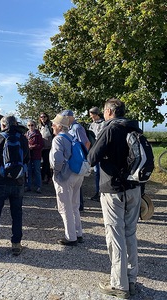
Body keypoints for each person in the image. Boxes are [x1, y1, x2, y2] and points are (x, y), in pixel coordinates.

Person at [88, 98, 141, 298]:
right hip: (134, 188)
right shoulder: (135, 129)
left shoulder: (110, 130)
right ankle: (131, 279)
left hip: (113, 189)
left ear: (109, 112)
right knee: (130, 233)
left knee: (115, 236)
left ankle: (119, 285)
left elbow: (92, 157)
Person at [0, 115, 29, 256]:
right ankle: (16, 244)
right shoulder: (22, 138)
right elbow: (27, 158)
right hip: (18, 181)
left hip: (0, 181)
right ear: (15, 124)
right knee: (17, 214)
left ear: (3, 125)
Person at [49, 114, 84, 246]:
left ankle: (71, 237)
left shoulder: (58, 139)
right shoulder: (71, 136)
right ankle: (78, 233)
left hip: (65, 175)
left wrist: (56, 173)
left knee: (64, 207)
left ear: (59, 126)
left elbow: (57, 159)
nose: (52, 126)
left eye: (54, 124)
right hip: (77, 173)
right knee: (74, 205)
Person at [60, 110, 90, 211]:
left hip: (78, 159)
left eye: (64, 117)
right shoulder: (70, 128)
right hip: (72, 159)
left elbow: (86, 143)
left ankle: (79, 206)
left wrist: (83, 158)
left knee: (77, 183)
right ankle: (75, 206)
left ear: (68, 117)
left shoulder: (77, 128)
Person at [88, 107, 105, 201]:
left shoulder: (103, 124)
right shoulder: (92, 125)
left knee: (101, 172)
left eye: (92, 115)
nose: (91, 117)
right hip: (93, 150)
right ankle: (97, 191)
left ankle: (102, 192)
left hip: (101, 150)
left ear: (96, 114)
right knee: (96, 172)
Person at [25, 120, 44, 193]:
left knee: (37, 171)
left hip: (36, 155)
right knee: (28, 171)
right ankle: (28, 186)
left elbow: (41, 145)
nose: (30, 127)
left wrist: (33, 146)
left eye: (32, 125)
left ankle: (38, 187)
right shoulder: (26, 135)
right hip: (28, 155)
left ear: (35, 126)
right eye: (29, 125)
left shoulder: (38, 134)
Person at [38, 112, 53, 184]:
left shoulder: (50, 125)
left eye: (44, 117)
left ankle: (44, 176)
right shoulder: (39, 126)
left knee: (46, 162)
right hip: (41, 147)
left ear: (47, 117)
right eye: (41, 117)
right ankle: (47, 177)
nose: (43, 118)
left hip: (49, 146)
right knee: (45, 162)